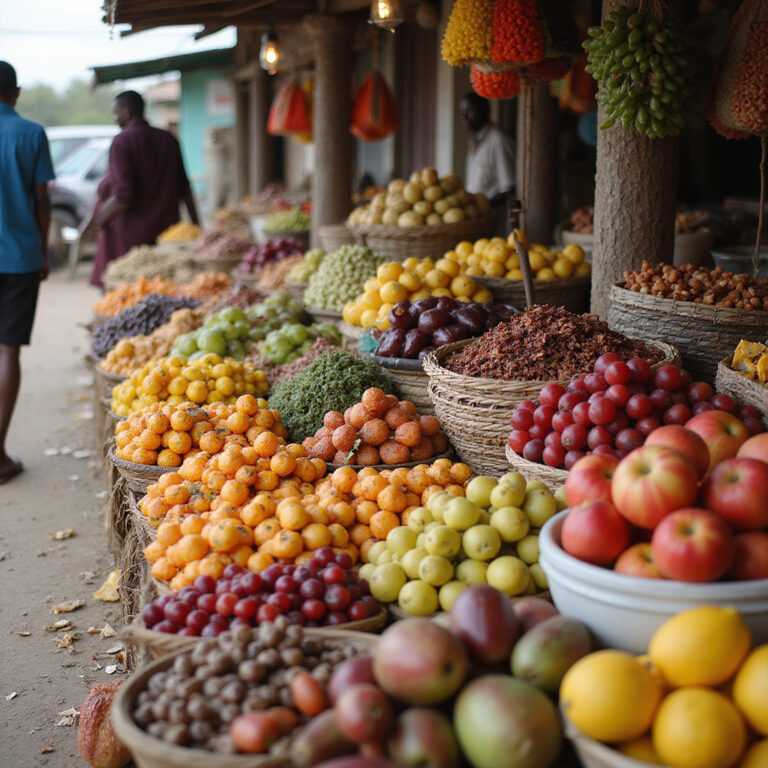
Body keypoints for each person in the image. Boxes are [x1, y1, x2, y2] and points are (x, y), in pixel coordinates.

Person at [83, 90, 199, 288]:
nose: (115, 118)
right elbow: (185, 188)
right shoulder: (168, 139)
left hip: (133, 237)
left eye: (116, 113)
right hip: (168, 235)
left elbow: (124, 196)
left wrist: (97, 222)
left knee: (133, 292)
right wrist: (196, 226)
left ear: (127, 113)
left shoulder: (122, 142)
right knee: (166, 289)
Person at [0, 61, 54, 484]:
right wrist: (43, 250)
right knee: (7, 352)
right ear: (15, 92)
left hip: (20, 258)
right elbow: (42, 200)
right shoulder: (31, 133)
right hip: (20, 258)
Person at [460, 92, 516, 205]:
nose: (464, 117)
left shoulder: (498, 140)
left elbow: (509, 189)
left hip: (494, 219)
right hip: (477, 219)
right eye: (461, 113)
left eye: (470, 111)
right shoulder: (474, 142)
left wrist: (481, 207)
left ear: (485, 111)